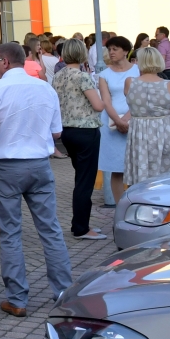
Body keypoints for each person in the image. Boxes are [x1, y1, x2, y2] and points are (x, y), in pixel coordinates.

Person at [0, 43, 73, 318]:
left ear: (5, 62)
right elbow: (56, 133)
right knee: (50, 229)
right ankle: (63, 292)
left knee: (10, 233)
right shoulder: (45, 88)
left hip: (6, 166)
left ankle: (17, 298)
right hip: (40, 164)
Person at [50, 40, 106, 240]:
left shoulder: (58, 76)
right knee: (85, 181)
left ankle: (80, 223)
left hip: (66, 131)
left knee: (80, 178)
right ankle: (81, 227)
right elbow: (98, 105)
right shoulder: (82, 76)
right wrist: (104, 95)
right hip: (86, 130)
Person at [123, 47, 170, 187]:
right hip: (167, 132)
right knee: (168, 178)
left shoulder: (130, 82)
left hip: (140, 135)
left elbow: (133, 104)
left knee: (141, 178)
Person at [97, 36, 138, 202]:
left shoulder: (138, 70)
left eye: (115, 49)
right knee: (116, 167)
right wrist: (118, 120)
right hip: (111, 122)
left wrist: (127, 118)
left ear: (126, 51)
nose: (111, 52)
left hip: (135, 118)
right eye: (109, 49)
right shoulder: (104, 74)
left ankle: (137, 202)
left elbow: (140, 97)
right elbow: (106, 101)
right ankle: (120, 205)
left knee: (137, 165)